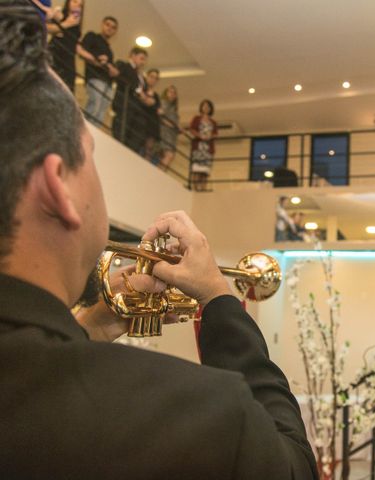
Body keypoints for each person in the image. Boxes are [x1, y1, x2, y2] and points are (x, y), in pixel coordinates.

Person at [0, 3, 317, 478]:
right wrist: (218, 299)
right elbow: (294, 465)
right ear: (59, 187)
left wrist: (97, 323)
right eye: (91, 159)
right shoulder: (200, 412)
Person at [80, 15, 119, 126]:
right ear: (102, 24)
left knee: (102, 111)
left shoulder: (110, 52)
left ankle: (94, 132)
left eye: (113, 27)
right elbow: (82, 51)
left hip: (108, 83)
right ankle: (85, 128)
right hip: (95, 78)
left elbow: (110, 67)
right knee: (95, 104)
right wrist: (98, 59)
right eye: (107, 25)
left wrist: (112, 69)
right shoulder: (92, 36)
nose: (110, 28)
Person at [47, 0, 88, 93]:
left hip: (69, 59)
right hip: (56, 54)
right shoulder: (59, 14)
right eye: (74, 1)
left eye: (80, 5)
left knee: (68, 89)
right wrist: (67, 24)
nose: (77, 5)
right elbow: (46, 27)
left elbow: (77, 46)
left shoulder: (78, 23)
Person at [112, 46, 148, 153]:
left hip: (136, 109)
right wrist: (138, 91)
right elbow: (119, 77)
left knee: (137, 131)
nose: (143, 62)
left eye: (144, 60)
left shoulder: (141, 76)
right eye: (141, 58)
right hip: (125, 105)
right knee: (122, 130)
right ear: (133, 56)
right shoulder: (124, 66)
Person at [189, 99, 217, 191]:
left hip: (208, 149)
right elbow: (192, 129)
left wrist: (210, 136)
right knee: (197, 169)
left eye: (208, 106)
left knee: (205, 170)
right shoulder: (196, 119)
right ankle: (195, 188)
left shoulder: (213, 122)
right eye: (204, 106)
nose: (206, 108)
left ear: (210, 109)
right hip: (198, 147)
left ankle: (203, 188)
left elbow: (216, 134)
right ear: (201, 107)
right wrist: (200, 135)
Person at [139, 68, 161, 164]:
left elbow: (158, 109)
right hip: (141, 121)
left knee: (149, 148)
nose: (153, 80)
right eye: (151, 77)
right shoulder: (141, 88)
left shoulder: (156, 96)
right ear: (146, 76)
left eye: (156, 78)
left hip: (152, 123)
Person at [159, 85, 180, 171]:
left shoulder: (173, 108)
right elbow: (160, 117)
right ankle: (158, 173)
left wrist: (177, 128)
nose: (172, 94)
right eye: (170, 92)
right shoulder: (163, 103)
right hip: (165, 133)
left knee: (167, 156)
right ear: (166, 93)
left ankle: (160, 173)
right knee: (169, 155)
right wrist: (171, 125)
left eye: (174, 93)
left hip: (171, 135)